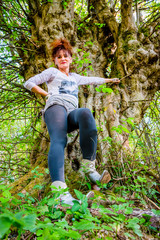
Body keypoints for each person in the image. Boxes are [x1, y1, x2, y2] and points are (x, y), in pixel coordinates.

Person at [24, 38, 120, 205]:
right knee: (59, 140)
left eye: (65, 56)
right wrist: (47, 95)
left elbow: (92, 80)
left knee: (85, 113)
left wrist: (109, 80)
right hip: (55, 108)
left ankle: (89, 168)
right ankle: (60, 192)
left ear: (70, 59)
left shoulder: (75, 77)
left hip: (69, 115)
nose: (62, 59)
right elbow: (29, 82)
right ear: (55, 60)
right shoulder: (52, 73)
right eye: (59, 57)